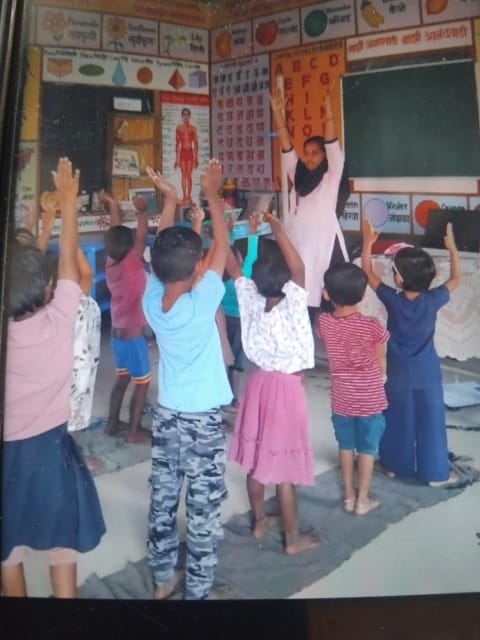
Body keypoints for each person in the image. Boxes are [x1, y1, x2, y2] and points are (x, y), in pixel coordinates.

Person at [2, 157, 105, 597]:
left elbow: (45, 275)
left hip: (8, 458)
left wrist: (45, 221)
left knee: (8, 551)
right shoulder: (60, 319)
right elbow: (67, 267)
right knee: (63, 542)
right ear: (45, 292)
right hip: (50, 451)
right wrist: (66, 203)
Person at [142, 160, 232, 600]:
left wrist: (169, 201)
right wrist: (211, 194)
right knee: (203, 507)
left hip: (167, 416)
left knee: (163, 497)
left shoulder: (152, 298)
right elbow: (224, 244)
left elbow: (164, 250)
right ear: (198, 267)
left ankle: (163, 579)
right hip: (202, 423)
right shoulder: (202, 302)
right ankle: (197, 591)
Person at [226, 212, 319, 555]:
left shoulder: (250, 299)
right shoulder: (293, 304)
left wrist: (227, 229)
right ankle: (293, 540)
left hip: (259, 384)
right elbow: (299, 269)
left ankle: (260, 521)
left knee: (256, 458)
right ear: (286, 282)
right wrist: (278, 230)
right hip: (285, 391)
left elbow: (233, 267)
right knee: (284, 470)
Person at [361, 218, 461, 486]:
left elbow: (367, 272)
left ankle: (395, 466)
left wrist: (368, 242)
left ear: (400, 279)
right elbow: (456, 278)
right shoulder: (434, 299)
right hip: (427, 372)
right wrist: (452, 248)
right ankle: (436, 473)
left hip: (398, 371)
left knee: (397, 417)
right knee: (431, 421)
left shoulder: (392, 299)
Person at [269, 86, 350, 320]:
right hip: (299, 241)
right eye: (307, 152)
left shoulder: (331, 176)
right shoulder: (300, 176)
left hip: (323, 244)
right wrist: (278, 115)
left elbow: (333, 145)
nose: (309, 157)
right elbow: (287, 146)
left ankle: (328, 332)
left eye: (315, 153)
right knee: (300, 293)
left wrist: (328, 114)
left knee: (324, 294)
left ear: (325, 156)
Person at [317, 262, 389, 515]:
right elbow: (381, 360)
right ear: (363, 294)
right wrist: (381, 378)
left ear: (326, 294)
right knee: (368, 449)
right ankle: (362, 500)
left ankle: (348, 497)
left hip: (342, 396)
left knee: (345, 446)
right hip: (370, 395)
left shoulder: (323, 323)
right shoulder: (372, 325)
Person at [101, 190, 152, 444]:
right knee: (142, 383)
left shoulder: (111, 261)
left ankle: (112, 423)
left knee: (122, 378)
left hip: (117, 334)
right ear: (130, 246)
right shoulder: (132, 263)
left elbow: (115, 231)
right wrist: (142, 212)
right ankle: (134, 430)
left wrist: (113, 205)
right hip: (133, 337)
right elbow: (141, 235)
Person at [221, 213, 261, 412]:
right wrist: (253, 231)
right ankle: (233, 399)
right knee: (236, 363)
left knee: (222, 358)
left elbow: (224, 252)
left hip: (221, 321)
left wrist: (227, 231)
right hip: (239, 323)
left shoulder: (218, 280)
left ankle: (221, 397)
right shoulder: (243, 279)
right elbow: (252, 256)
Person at [174, 107, 199, 206]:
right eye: (184, 114)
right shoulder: (179, 128)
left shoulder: (193, 129)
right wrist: (177, 159)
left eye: (187, 115)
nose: (186, 117)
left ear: (189, 116)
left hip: (190, 153)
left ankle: (189, 196)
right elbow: (177, 144)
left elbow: (196, 144)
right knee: (183, 175)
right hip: (182, 153)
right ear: (182, 116)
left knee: (188, 175)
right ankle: (185, 196)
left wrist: (196, 158)